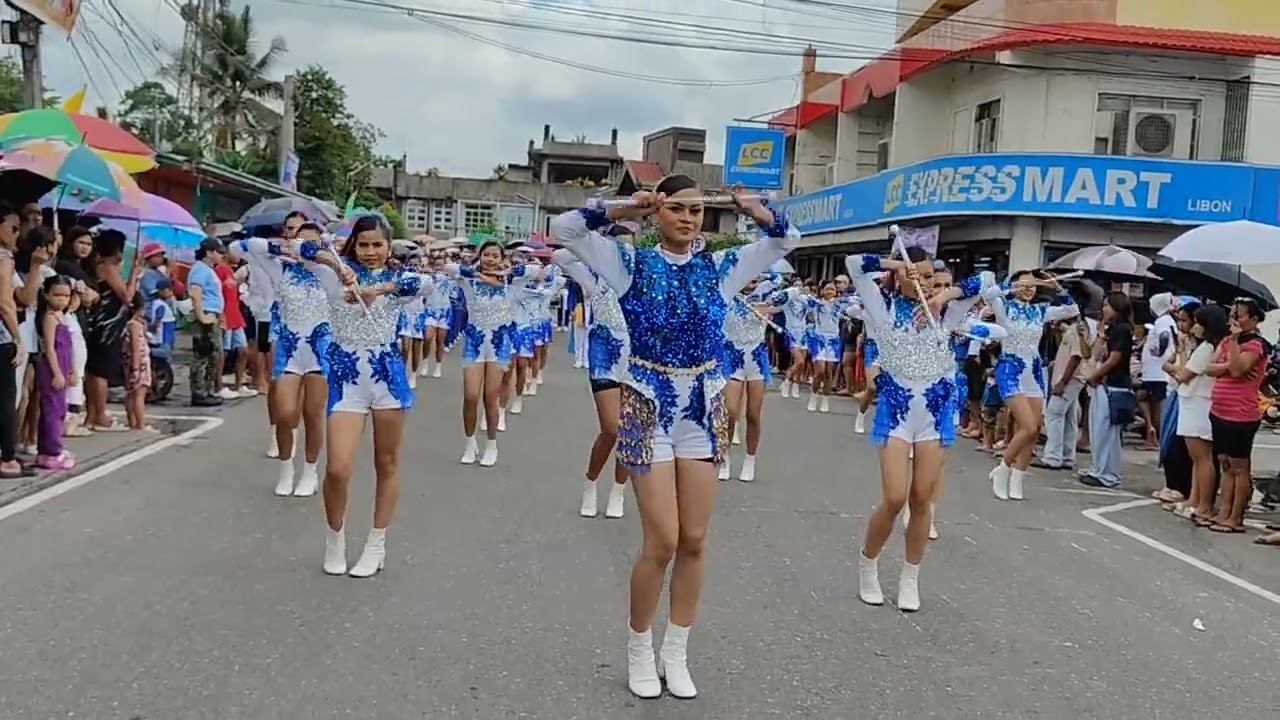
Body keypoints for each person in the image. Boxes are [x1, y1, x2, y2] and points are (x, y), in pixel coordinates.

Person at [551, 176, 795, 700]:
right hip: (646, 405)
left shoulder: (722, 267)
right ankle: (639, 646)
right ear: (658, 211)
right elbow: (563, 229)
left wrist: (757, 209)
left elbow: (785, 241)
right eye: (676, 208)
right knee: (661, 540)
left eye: (695, 211)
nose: (687, 218)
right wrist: (624, 206)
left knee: (695, 540)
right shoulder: (629, 263)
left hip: (703, 411)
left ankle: (676, 650)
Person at [287, 214, 438, 577]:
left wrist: (380, 290)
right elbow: (297, 246)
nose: (370, 252)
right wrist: (333, 263)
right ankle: (334, 540)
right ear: (354, 243)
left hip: (387, 377)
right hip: (346, 378)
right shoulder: (333, 272)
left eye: (378, 245)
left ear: (389, 247)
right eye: (364, 244)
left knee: (386, 463)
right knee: (337, 468)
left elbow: (428, 284)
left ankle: (376, 544)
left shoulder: (397, 280)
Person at [846, 247, 992, 613]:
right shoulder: (882, 308)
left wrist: (945, 294)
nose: (923, 282)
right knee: (895, 498)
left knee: (922, 499)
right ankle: (869, 563)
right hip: (896, 412)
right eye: (916, 275)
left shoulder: (947, 313)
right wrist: (895, 264)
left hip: (934, 413)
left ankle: (910, 576)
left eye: (928, 276)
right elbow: (853, 265)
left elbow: (988, 282)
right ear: (899, 276)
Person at [231, 223, 332, 496]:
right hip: (289, 350)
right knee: (286, 414)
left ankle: (310, 471)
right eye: (302, 243)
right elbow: (249, 245)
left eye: (314, 243)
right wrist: (287, 248)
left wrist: (327, 255)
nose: (308, 249)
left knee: (313, 415)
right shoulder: (280, 268)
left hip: (320, 351)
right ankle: (286, 469)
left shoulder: (328, 273)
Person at [551, 246, 631, 518]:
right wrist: (596, 244)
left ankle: (618, 491)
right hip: (605, 355)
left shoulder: (644, 278)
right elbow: (559, 257)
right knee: (611, 428)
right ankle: (591, 482)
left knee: (630, 430)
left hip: (639, 360)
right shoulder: (594, 279)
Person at [1202, 298, 1270, 533]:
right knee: (1225, 464)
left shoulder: (1257, 345)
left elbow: (1239, 369)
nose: (1234, 320)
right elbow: (1209, 368)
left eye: (1240, 315)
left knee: (1240, 467)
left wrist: (1234, 344)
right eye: (1233, 314)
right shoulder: (1226, 341)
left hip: (1241, 414)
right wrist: (1228, 363)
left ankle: (1235, 517)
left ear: (1252, 319)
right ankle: (1224, 511)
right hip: (1219, 410)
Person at [1078, 292, 1136, 489]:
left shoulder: (1122, 330)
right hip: (1104, 384)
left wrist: (1096, 375)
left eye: (1107, 306)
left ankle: (1107, 473)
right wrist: (1101, 335)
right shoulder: (1112, 330)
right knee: (1098, 429)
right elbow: (1095, 354)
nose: (1104, 310)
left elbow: (1114, 359)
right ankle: (1098, 468)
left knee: (1107, 432)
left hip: (1113, 385)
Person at [84, 228, 140, 428]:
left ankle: (91, 414)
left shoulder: (98, 266)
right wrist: (134, 274)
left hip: (99, 323)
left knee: (93, 370)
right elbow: (126, 296)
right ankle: (99, 413)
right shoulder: (108, 268)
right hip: (108, 326)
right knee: (101, 371)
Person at [1036, 315, 1090, 471]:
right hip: (1072, 379)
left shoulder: (1075, 332)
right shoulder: (1076, 330)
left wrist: (1063, 381)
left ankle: (1052, 456)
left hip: (1069, 380)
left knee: (1054, 414)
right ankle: (1067, 455)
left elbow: (1075, 358)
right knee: (1069, 418)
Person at [35, 275, 75, 470]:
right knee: (52, 410)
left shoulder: (63, 317)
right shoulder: (49, 318)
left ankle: (50, 449)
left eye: (66, 295)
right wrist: (57, 373)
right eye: (57, 294)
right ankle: (51, 450)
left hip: (64, 365)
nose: (61, 299)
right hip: (52, 367)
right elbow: (49, 348)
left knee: (59, 409)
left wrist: (73, 371)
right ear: (46, 295)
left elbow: (70, 347)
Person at [122, 292, 153, 432]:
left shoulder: (129, 324)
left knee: (131, 392)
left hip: (131, 361)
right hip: (138, 362)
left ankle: (132, 422)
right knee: (139, 394)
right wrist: (135, 367)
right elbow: (135, 346)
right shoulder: (135, 325)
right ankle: (140, 424)